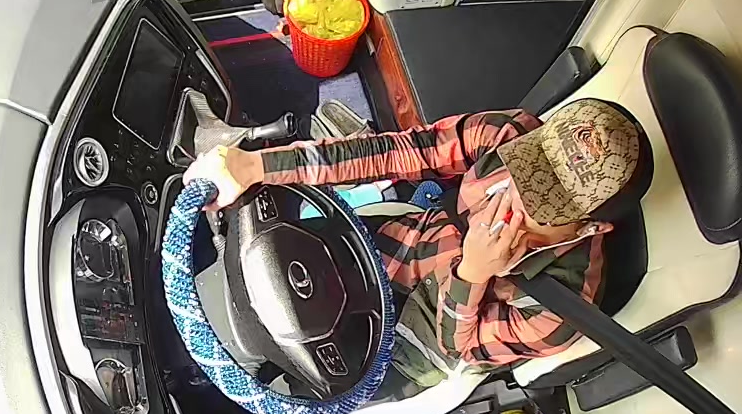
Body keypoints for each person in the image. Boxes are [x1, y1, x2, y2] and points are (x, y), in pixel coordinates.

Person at [184, 98, 653, 388]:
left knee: (289, 384)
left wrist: (473, 274)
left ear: (591, 228)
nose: (509, 194)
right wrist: (258, 167)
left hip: (410, 346)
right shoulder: (510, 135)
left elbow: (458, 346)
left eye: (539, 202)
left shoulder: (560, 312)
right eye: (524, 167)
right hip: (389, 245)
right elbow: (398, 152)